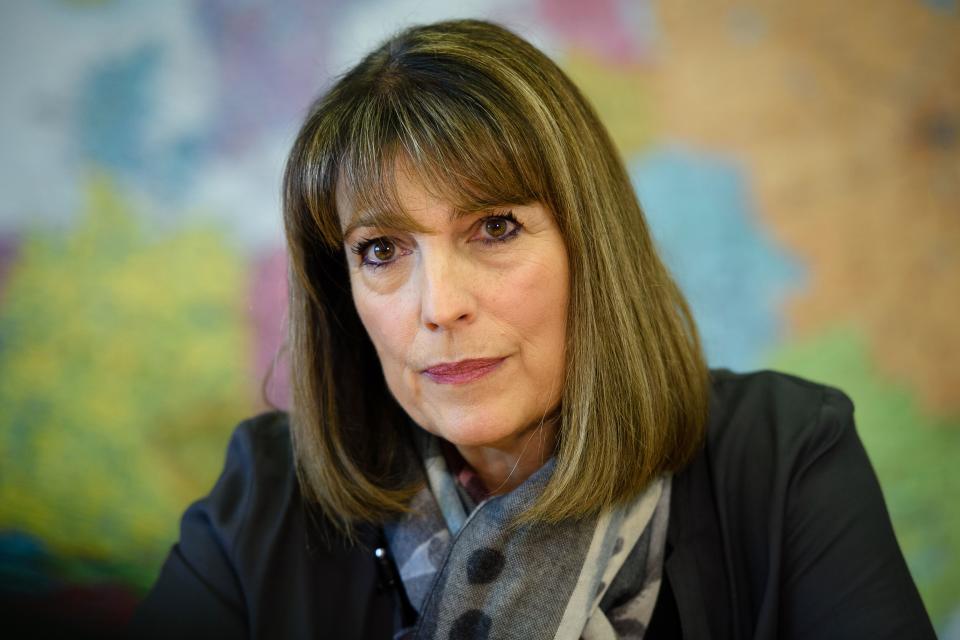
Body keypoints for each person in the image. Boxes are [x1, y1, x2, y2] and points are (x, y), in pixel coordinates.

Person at [130, 19, 936, 640]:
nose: (438, 305)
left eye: (495, 228)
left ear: (593, 245)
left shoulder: (787, 452)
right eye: (381, 249)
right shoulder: (267, 491)